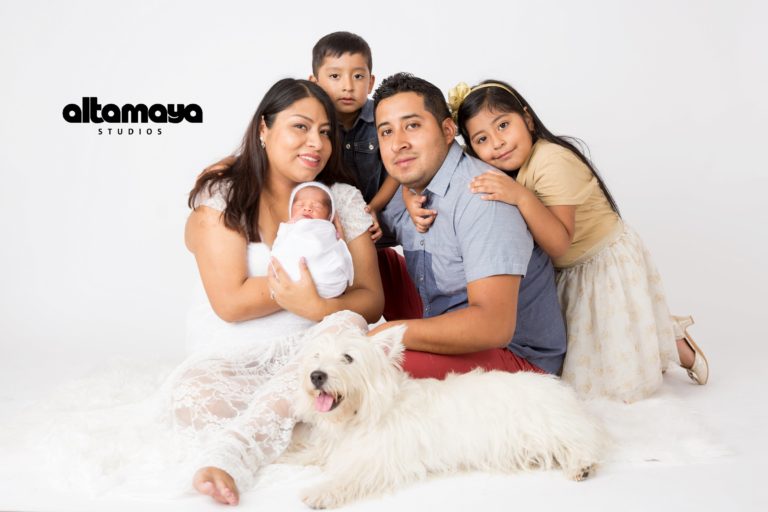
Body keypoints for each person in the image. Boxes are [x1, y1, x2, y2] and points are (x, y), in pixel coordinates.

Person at [421, 79, 708, 402]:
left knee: (613, 358)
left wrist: (521, 197)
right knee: (588, 346)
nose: (497, 143)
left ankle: (674, 341)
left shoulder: (551, 161)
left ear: (527, 120)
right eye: (482, 139)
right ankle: (655, 329)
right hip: (563, 269)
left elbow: (559, 243)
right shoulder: (498, 167)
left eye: (503, 125)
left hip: (599, 261)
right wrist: (409, 195)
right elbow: (443, 162)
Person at [181, 78, 383, 505]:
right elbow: (230, 302)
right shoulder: (225, 194)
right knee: (197, 396)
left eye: (325, 132)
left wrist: (318, 306)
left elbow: (371, 299)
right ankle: (277, 425)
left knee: (346, 322)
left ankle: (233, 453)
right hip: (237, 360)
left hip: (315, 357)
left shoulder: (341, 199)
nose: (316, 143)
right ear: (263, 128)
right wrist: (299, 293)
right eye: (300, 127)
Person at [370, 72, 567, 379]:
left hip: (514, 355)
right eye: (386, 132)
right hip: (442, 309)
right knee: (359, 256)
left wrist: (389, 332)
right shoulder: (408, 188)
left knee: (378, 369)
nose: (398, 144)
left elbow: (493, 326)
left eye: (412, 126)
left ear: (448, 130)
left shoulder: (483, 196)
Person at [309, 31, 423, 321]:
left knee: (419, 219)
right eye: (335, 76)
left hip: (384, 200)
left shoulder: (381, 115)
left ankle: (424, 297)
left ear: (371, 82)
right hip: (340, 212)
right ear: (315, 82)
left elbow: (398, 168)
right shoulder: (313, 121)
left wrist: (375, 207)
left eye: (358, 77)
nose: (348, 86)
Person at [270, 181, 354, 299]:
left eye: (317, 206)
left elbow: (338, 248)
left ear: (329, 216)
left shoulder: (326, 228)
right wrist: (287, 227)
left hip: (328, 282)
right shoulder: (289, 227)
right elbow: (280, 245)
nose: (307, 208)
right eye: (300, 205)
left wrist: (340, 239)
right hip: (291, 277)